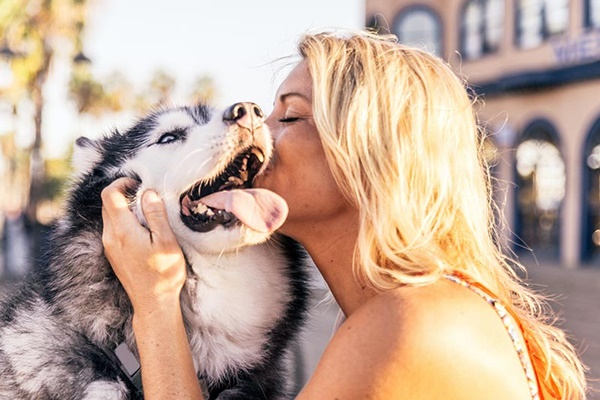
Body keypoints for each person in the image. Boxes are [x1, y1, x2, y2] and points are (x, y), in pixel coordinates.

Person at [101, 30, 587, 399]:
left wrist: (156, 301)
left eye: (289, 117)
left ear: (372, 159)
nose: (256, 127)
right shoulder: (404, 309)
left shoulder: (405, 326)